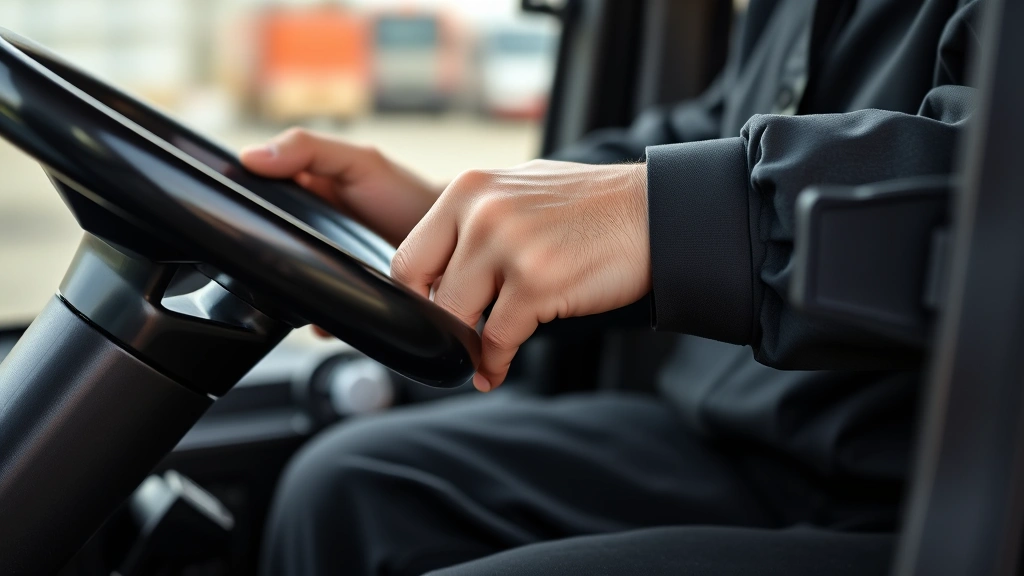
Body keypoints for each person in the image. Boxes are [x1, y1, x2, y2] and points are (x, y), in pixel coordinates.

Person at [241, 0, 980, 574]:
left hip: (945, 497)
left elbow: (991, 173)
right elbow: (726, 126)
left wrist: (666, 216)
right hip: (746, 441)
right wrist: (448, 218)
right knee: (344, 491)